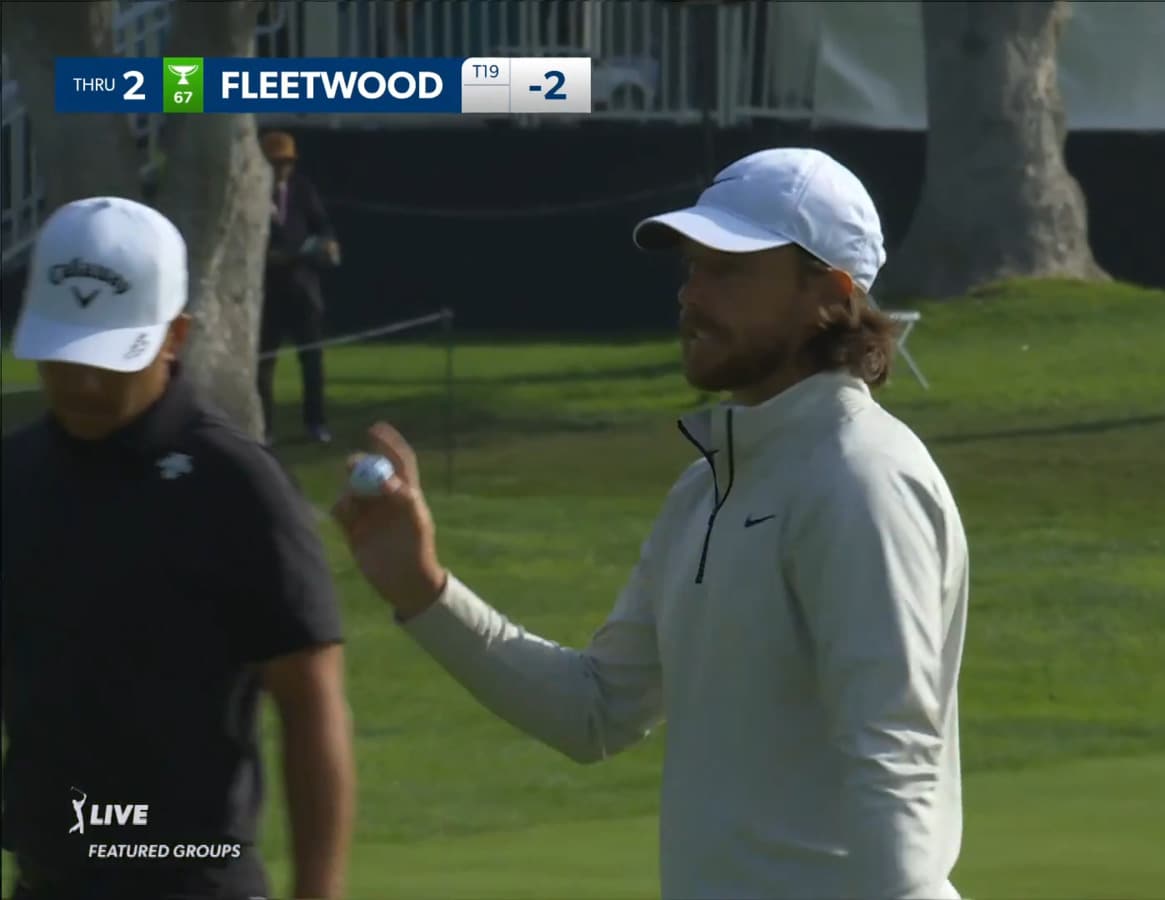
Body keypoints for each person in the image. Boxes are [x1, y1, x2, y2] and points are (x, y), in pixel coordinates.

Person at [333, 148, 970, 899]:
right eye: (692, 267)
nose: (692, 295)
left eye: (728, 270)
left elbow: (893, 764)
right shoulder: (707, 488)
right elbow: (595, 711)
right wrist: (425, 591)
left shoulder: (862, 479)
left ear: (828, 295)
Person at [2, 197, 357, 900]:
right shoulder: (15, 475)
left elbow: (312, 701)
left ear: (175, 336)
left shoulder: (237, 486)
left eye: (107, 359)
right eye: (64, 355)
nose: (79, 381)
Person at [258, 130, 340, 444]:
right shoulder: (251, 194)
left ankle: (316, 423)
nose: (282, 169)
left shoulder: (302, 190)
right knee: (263, 364)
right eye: (276, 163)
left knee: (312, 360)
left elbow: (323, 226)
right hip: (267, 293)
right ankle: (264, 427)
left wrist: (327, 245)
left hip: (303, 290)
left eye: (287, 163)